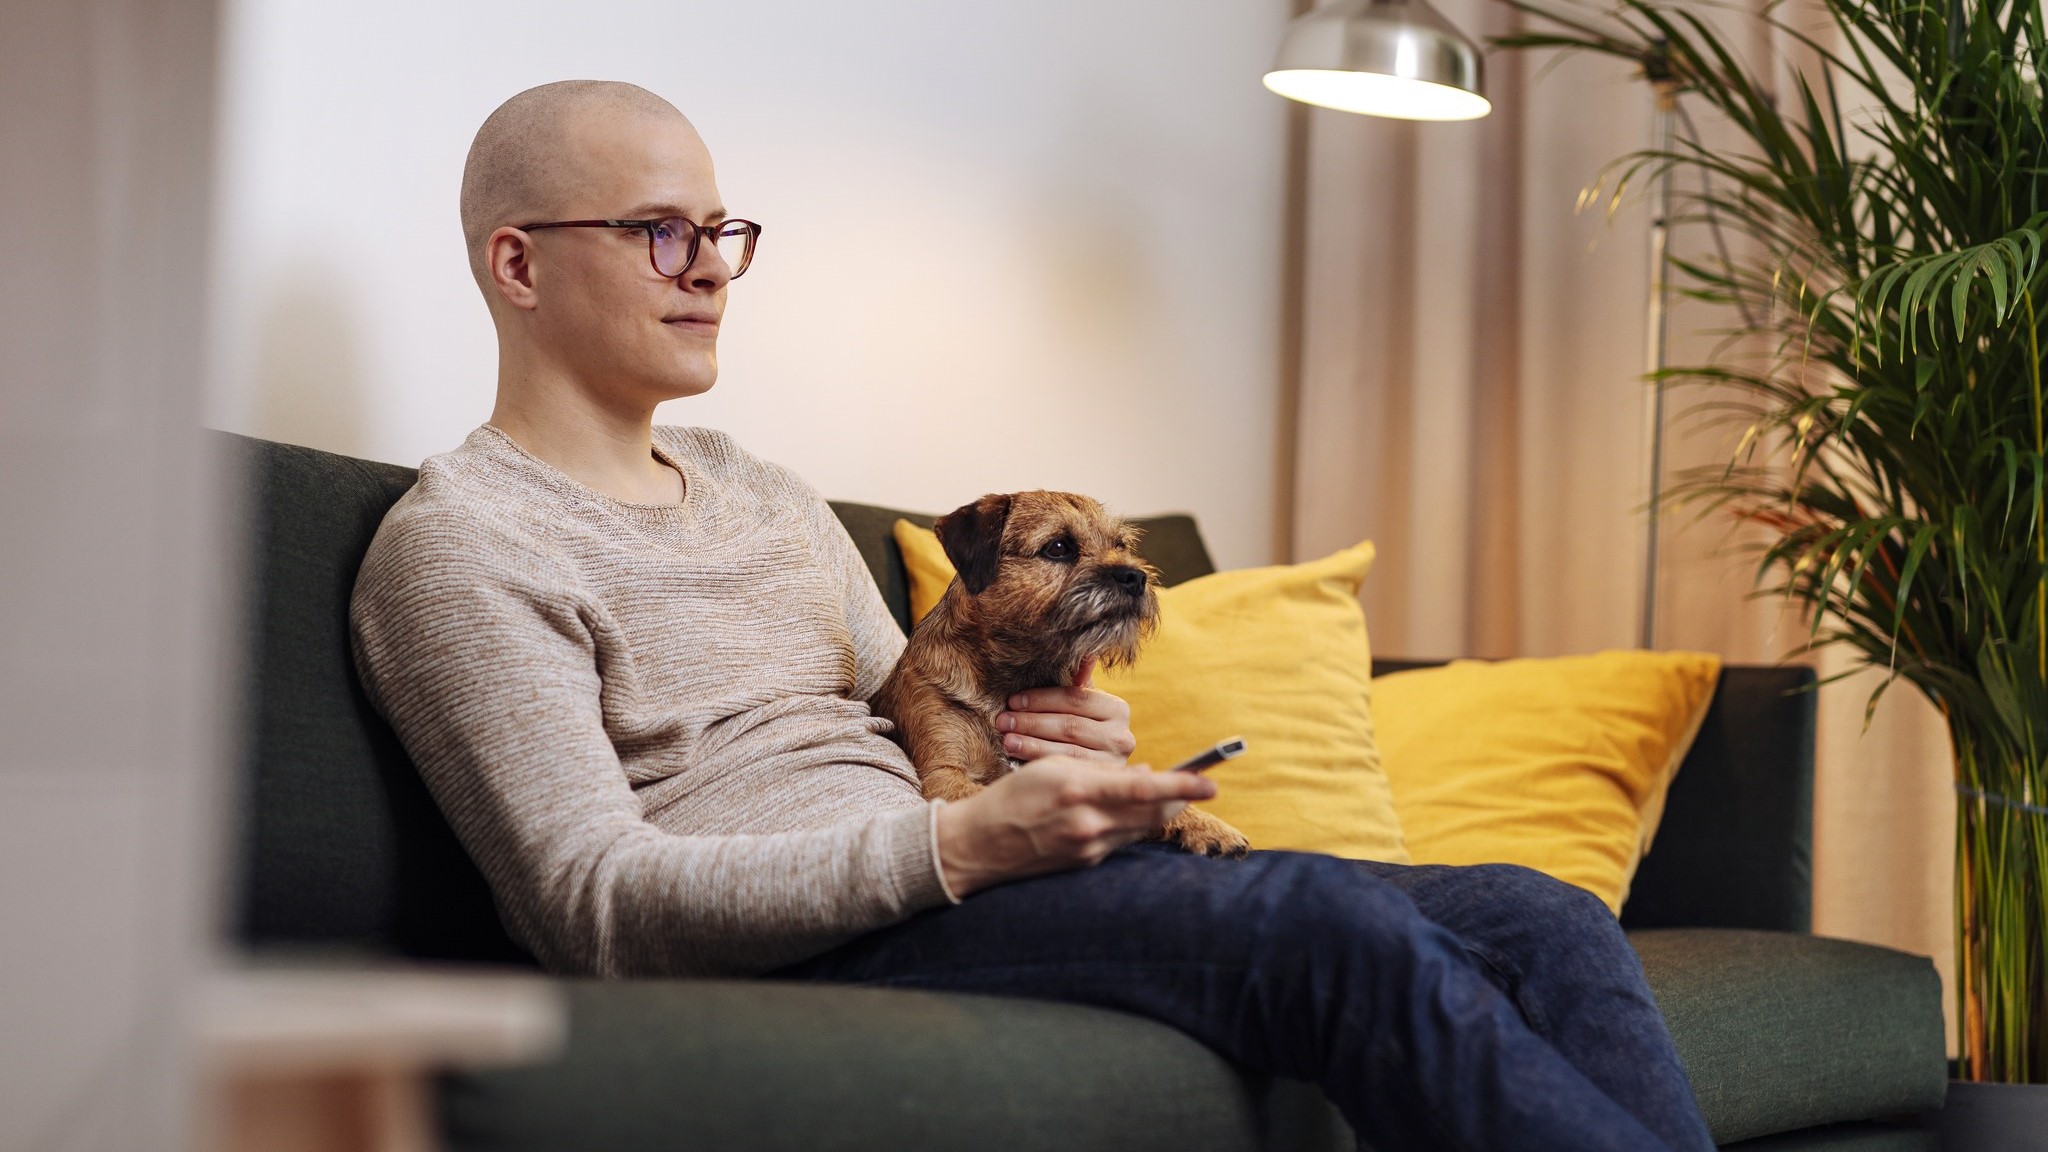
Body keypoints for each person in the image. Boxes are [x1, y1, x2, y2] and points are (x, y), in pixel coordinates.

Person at [348, 80, 1716, 1152]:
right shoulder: (462, 547)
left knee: (1543, 920)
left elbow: (928, 702)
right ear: (518, 266)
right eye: (660, 231)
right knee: (1325, 928)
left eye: (722, 232)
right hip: (823, 943)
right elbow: (592, 908)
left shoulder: (761, 491)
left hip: (967, 876)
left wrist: (1057, 741)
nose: (709, 267)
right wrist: (952, 846)